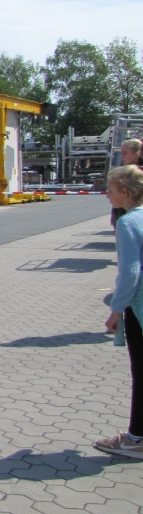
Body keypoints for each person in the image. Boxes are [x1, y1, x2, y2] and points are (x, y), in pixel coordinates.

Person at [97, 165, 143, 459]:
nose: (107, 195)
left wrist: (116, 309)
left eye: (110, 190)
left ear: (124, 192)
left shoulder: (128, 223)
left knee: (140, 373)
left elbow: (130, 274)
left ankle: (135, 438)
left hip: (138, 309)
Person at [112, 138, 143, 228]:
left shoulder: (137, 174)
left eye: (125, 153)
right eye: (121, 153)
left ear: (136, 154)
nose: (121, 157)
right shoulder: (123, 172)